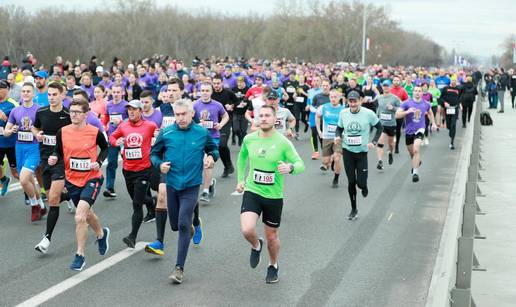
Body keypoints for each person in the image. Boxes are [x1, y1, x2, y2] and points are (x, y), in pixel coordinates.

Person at [151, 99, 219, 284]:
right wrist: (160, 165)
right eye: (177, 114)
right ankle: (193, 223)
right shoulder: (167, 132)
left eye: (183, 114)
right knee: (175, 225)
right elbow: (154, 154)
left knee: (182, 224)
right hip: (172, 184)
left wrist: (211, 158)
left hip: (191, 185)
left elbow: (213, 149)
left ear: (191, 114)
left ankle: (179, 268)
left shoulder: (201, 132)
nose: (180, 118)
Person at [236, 105, 305, 284]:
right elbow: (242, 157)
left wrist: (290, 168)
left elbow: (300, 164)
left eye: (268, 115)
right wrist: (240, 180)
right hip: (253, 190)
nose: (264, 118)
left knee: (272, 237)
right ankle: (256, 245)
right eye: (261, 115)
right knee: (247, 229)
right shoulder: (249, 139)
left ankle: (273, 265)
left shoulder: (283, 142)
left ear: (276, 119)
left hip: (273, 196)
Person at [50, 97, 110, 271]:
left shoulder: (94, 131)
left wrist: (98, 162)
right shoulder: (62, 131)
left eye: (77, 112)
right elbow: (58, 150)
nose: (73, 115)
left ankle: (80, 255)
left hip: (92, 178)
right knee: (87, 213)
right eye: (71, 111)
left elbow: (105, 148)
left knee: (79, 216)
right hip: (72, 179)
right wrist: (55, 156)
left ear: (86, 114)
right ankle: (101, 233)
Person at [109, 99, 157, 248]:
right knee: (140, 199)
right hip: (127, 170)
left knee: (136, 204)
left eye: (134, 109)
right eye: (129, 109)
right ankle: (152, 203)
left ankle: (132, 236)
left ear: (141, 111)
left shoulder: (150, 126)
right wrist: (114, 143)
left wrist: (157, 139)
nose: (131, 111)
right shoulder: (123, 126)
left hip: (143, 170)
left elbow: (160, 136)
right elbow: (112, 136)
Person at [33, 82, 74, 253]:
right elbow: (35, 127)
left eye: (54, 94)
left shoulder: (68, 115)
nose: (51, 97)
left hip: (61, 160)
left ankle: (46, 238)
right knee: (51, 197)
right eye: (49, 94)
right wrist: (37, 134)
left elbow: (75, 133)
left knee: (53, 199)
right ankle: (72, 194)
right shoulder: (41, 112)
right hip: (45, 158)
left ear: (62, 95)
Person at [334, 91, 382, 220]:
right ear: (347, 101)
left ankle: (364, 185)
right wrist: (337, 136)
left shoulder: (368, 113)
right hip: (348, 151)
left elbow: (380, 127)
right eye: (350, 101)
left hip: (361, 153)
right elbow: (339, 128)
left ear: (360, 101)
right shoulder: (343, 113)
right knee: (351, 181)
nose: (353, 104)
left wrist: (374, 142)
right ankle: (354, 209)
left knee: (360, 183)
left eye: (355, 101)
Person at [4, 82, 46, 221]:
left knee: (23, 180)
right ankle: (41, 206)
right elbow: (6, 132)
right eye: (24, 91)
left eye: (28, 91)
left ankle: (34, 205)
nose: (26, 93)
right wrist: (12, 130)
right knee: (28, 180)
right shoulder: (15, 111)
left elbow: (44, 129)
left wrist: (39, 134)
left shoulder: (39, 110)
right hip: (19, 148)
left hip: (34, 148)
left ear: (33, 93)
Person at [194, 82, 229, 202]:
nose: (204, 93)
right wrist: (198, 125)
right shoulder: (195, 105)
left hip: (213, 137)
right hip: (198, 138)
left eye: (207, 90)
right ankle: (209, 183)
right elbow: (190, 120)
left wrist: (220, 124)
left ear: (211, 92)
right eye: (202, 90)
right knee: (199, 163)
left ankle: (205, 191)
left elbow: (226, 116)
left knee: (207, 162)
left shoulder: (217, 105)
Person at [395, 86, 437, 182]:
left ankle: (415, 172)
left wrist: (433, 123)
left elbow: (430, 113)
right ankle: (417, 162)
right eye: (415, 91)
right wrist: (406, 112)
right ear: (412, 92)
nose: (417, 93)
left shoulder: (426, 104)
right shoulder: (406, 103)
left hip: (420, 129)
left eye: (419, 91)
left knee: (416, 149)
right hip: (409, 131)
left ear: (422, 93)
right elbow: (397, 115)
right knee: (412, 154)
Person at [316, 89, 344, 187]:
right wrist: (319, 131)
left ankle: (336, 179)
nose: (333, 99)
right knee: (325, 162)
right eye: (331, 97)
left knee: (337, 158)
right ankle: (330, 161)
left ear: (339, 98)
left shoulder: (344, 109)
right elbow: (317, 116)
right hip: (327, 137)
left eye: (335, 97)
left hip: (338, 138)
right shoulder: (324, 107)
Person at [104, 84, 128, 198]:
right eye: (114, 92)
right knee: (111, 163)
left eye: (118, 92)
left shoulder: (126, 105)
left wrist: (121, 123)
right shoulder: (108, 105)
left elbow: (131, 121)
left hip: (124, 138)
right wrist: (105, 126)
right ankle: (109, 188)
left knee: (128, 163)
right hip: (112, 137)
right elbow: (106, 118)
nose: (116, 94)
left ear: (122, 93)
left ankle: (133, 185)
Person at [375, 81, 401, 170]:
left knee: (390, 144)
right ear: (382, 87)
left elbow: (401, 109)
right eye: (384, 86)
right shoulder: (379, 97)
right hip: (382, 124)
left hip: (391, 124)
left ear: (390, 87)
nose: (385, 88)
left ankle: (390, 152)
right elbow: (378, 109)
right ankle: (380, 161)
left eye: (387, 86)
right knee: (380, 142)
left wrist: (393, 108)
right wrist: (376, 118)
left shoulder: (395, 98)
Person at [0, 79, 18, 196]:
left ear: (7, 89)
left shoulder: (14, 104)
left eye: (1, 88)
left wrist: (5, 119)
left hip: (12, 143)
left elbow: (19, 124)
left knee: (15, 172)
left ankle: (28, 189)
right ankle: (3, 180)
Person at [439, 78, 461, 150]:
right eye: (452, 81)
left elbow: (460, 98)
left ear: (456, 82)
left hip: (455, 108)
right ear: (450, 82)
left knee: (453, 125)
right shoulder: (446, 88)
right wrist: (444, 103)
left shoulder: (458, 89)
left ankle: (452, 143)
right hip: (448, 109)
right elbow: (441, 98)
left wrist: (460, 105)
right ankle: (450, 130)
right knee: (449, 125)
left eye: (455, 81)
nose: (454, 82)